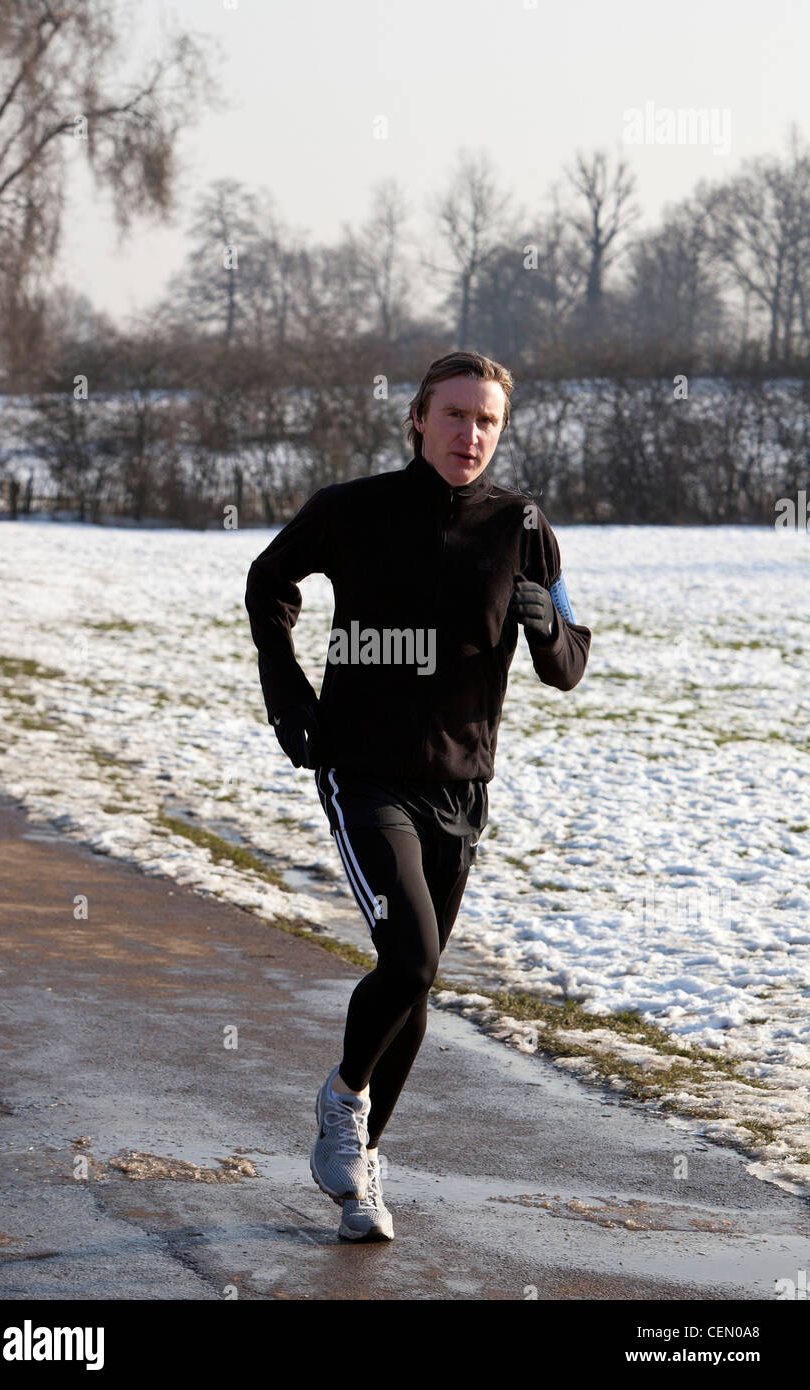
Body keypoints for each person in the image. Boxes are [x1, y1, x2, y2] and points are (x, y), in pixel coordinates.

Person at [244, 350, 591, 1242]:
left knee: (416, 984)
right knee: (411, 959)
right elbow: (267, 582)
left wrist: (548, 624)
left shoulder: (522, 525)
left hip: (460, 787)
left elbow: (569, 665)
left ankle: (357, 1170)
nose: (469, 434)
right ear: (417, 420)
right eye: (454, 416)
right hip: (363, 771)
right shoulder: (350, 509)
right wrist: (292, 701)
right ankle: (342, 1101)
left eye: (486, 422)